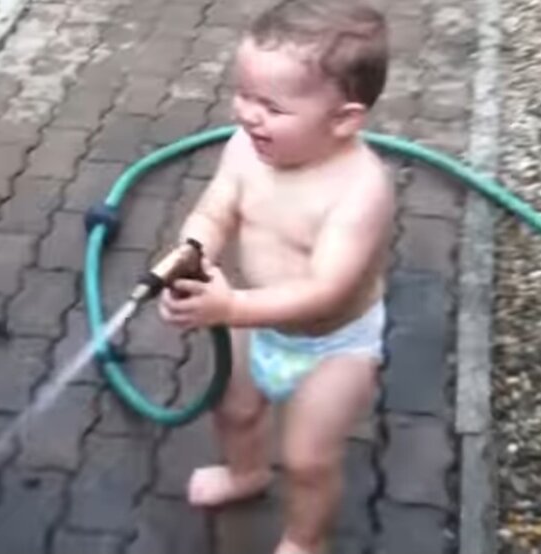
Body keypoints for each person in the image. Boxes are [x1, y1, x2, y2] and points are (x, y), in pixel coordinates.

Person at [157, 1, 394, 552]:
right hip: (257, 316)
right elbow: (215, 212)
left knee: (309, 460)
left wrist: (229, 308)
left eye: (272, 106)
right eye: (243, 93)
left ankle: (305, 540)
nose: (248, 114)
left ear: (344, 120)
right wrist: (192, 254)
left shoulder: (360, 190)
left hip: (334, 347)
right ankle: (246, 472)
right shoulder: (245, 150)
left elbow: (325, 291)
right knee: (233, 407)